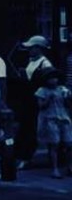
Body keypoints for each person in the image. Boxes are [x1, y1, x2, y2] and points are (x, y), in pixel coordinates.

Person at [18, 35, 56, 167]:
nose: (29, 50)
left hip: (37, 99)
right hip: (27, 98)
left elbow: (49, 82)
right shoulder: (31, 61)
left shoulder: (45, 64)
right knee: (26, 127)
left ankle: (28, 157)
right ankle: (22, 155)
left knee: (34, 129)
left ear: (39, 48)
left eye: (31, 47)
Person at [35, 67, 72, 178]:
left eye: (55, 78)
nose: (53, 80)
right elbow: (40, 106)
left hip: (63, 118)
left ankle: (69, 166)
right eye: (50, 78)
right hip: (50, 119)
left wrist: (68, 97)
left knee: (69, 144)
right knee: (54, 144)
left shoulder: (62, 89)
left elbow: (68, 105)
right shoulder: (42, 91)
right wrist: (48, 99)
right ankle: (55, 169)